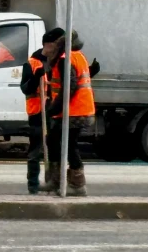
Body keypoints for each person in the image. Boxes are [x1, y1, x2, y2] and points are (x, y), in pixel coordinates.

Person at [42, 28, 97, 197]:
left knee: (68, 145)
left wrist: (54, 108)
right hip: (77, 109)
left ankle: (76, 184)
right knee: (54, 140)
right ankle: (57, 180)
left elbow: (70, 86)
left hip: (74, 110)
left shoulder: (66, 59)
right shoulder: (76, 56)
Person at [19, 40, 49, 194]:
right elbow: (26, 88)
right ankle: (33, 185)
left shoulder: (58, 62)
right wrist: (36, 77)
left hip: (54, 112)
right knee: (35, 151)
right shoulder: (32, 64)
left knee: (55, 150)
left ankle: (53, 182)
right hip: (37, 113)